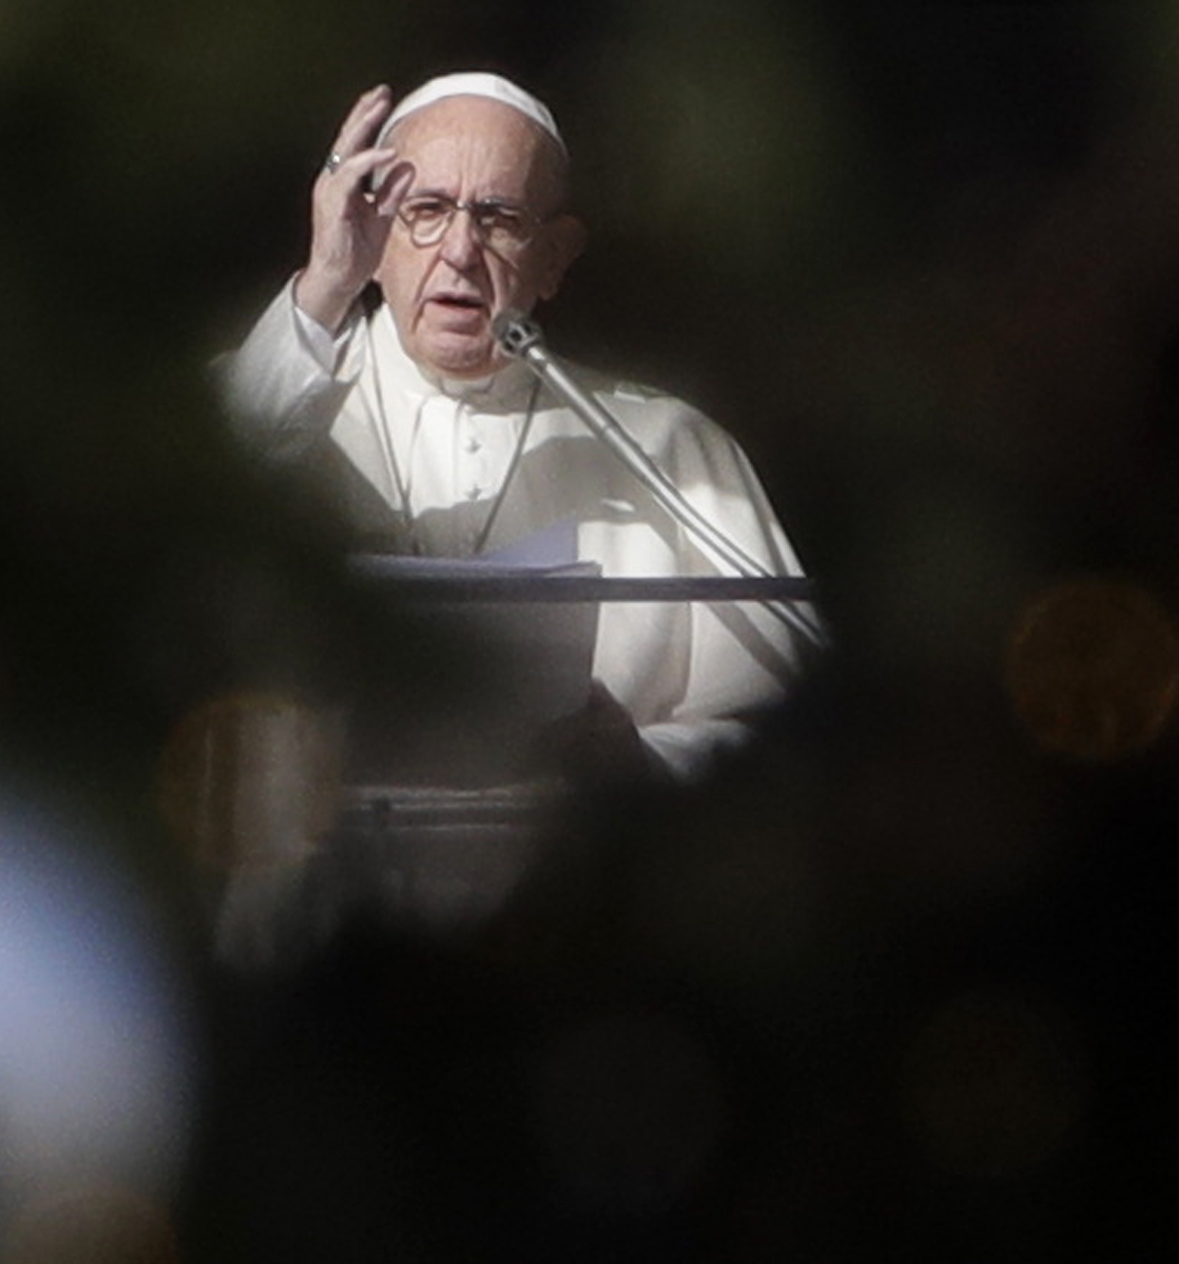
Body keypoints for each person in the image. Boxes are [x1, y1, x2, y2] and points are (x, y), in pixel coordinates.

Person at [220, 72, 816, 781]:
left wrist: (641, 761)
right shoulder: (277, 394)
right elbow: (180, 520)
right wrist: (325, 285)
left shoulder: (670, 447)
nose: (461, 251)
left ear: (555, 258)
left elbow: (787, 718)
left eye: (499, 218)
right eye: (426, 210)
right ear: (372, 235)